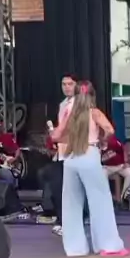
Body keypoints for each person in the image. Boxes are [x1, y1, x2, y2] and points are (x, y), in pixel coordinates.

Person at [50, 80, 129, 258]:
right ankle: (108, 245)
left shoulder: (68, 113)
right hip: (89, 154)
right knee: (100, 200)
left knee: (71, 203)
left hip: (70, 158)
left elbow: (56, 136)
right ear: (92, 95)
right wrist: (102, 139)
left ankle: (75, 248)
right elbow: (110, 130)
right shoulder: (94, 112)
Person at [42, 73, 77, 235]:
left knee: (69, 188)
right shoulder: (63, 104)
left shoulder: (79, 104)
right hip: (63, 152)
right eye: (64, 84)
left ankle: (69, 221)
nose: (67, 87)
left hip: (76, 151)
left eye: (70, 84)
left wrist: (55, 134)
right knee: (58, 186)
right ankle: (63, 220)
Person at [101, 131, 130, 203]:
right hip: (106, 167)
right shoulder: (98, 143)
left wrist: (126, 162)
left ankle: (123, 196)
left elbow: (123, 150)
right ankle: (106, 197)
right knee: (101, 175)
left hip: (120, 166)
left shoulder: (116, 141)